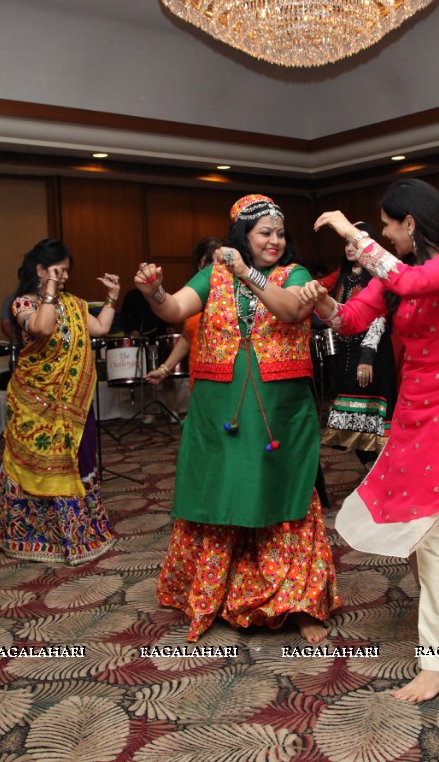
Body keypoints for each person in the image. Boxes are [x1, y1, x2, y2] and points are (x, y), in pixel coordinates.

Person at [301, 179, 439, 702]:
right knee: (416, 522)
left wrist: (351, 232)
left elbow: (413, 283)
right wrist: (322, 302)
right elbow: (350, 320)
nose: (387, 235)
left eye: (389, 225)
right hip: (416, 409)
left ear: (410, 222)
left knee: (436, 530)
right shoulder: (394, 274)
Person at [133, 194, 339, 643]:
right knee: (225, 491)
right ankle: (214, 595)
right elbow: (176, 309)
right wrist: (154, 292)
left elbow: (289, 311)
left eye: (280, 233)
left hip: (278, 410)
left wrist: (247, 274)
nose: (275, 240)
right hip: (222, 406)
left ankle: (298, 601)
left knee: (285, 491)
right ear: (243, 236)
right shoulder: (214, 275)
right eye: (265, 232)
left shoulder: (295, 275)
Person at [0, 239, 121, 564]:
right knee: (36, 464)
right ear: (40, 270)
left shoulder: (75, 304)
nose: (64, 276)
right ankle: (32, 534)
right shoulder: (23, 304)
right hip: (35, 404)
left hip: (73, 406)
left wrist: (112, 297)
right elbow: (43, 328)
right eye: (57, 270)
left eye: (66, 271)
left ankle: (80, 531)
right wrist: (49, 291)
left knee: (77, 461)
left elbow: (101, 327)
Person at [314, 222, 396, 466]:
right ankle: (374, 478)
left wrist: (367, 358)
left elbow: (380, 318)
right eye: (347, 242)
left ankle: (380, 478)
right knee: (354, 430)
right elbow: (315, 288)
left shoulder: (379, 276)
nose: (350, 247)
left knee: (374, 429)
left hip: (372, 355)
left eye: (355, 242)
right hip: (346, 357)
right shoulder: (342, 275)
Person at [145, 236, 223, 390]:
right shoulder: (193, 297)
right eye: (209, 263)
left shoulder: (234, 294)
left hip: (225, 381)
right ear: (199, 265)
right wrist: (164, 369)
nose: (215, 267)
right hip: (199, 379)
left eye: (220, 262)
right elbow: (187, 338)